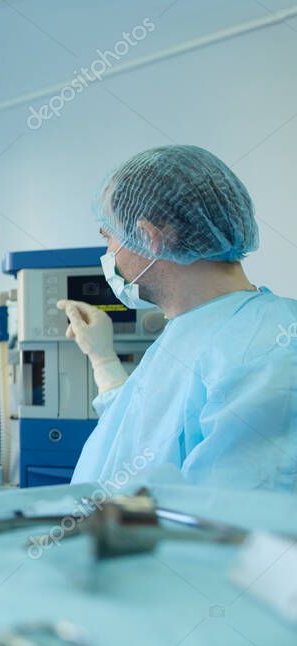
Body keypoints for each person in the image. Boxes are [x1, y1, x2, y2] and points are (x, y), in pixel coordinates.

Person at [57, 145, 297, 491]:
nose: (108, 254)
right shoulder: (198, 329)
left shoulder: (265, 351)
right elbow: (142, 438)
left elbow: (233, 525)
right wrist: (103, 360)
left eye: (108, 237)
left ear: (149, 237)